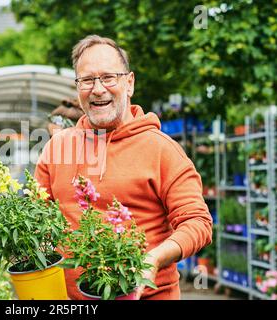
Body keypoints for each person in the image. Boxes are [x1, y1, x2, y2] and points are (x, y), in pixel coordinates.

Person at [34, 35, 213, 300]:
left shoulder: (162, 149)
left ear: (129, 83)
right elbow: (38, 217)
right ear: (77, 87)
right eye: (87, 80)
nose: (97, 89)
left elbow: (197, 223)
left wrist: (154, 259)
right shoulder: (57, 147)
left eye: (108, 77)